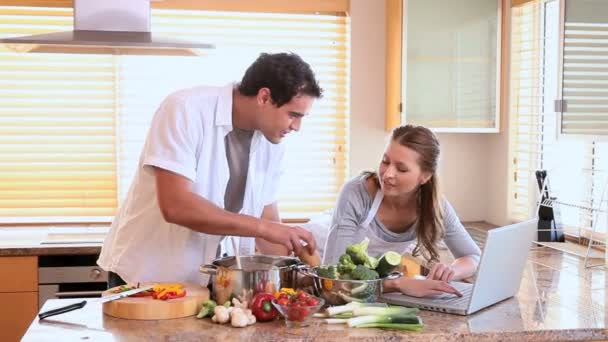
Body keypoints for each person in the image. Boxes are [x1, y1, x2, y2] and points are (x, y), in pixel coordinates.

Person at [98, 52, 322, 287]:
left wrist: (298, 276)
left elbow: (267, 223)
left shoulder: (271, 141)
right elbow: (176, 205)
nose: (296, 127)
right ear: (264, 97)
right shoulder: (185, 109)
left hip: (203, 285)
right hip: (145, 277)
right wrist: (267, 228)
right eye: (293, 115)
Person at [323, 124, 481, 297]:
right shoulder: (355, 193)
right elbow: (333, 279)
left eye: (401, 169)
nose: (387, 174)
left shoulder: (434, 205)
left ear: (425, 176)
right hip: (320, 250)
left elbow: (472, 256)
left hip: (371, 278)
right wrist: (398, 284)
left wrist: (451, 271)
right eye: (385, 161)